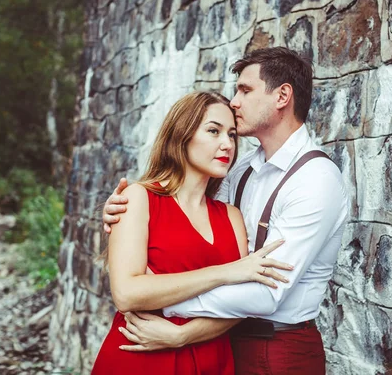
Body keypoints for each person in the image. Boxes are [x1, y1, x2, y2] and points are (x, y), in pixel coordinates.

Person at [103, 47, 349, 374]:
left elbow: (265, 293)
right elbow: (180, 211)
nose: (235, 101)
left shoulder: (315, 180)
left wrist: (161, 303)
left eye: (245, 90)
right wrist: (121, 213)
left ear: (282, 96)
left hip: (276, 346)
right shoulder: (239, 171)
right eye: (215, 131)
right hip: (220, 344)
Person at [91, 91, 293, 375]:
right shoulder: (139, 198)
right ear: (181, 135)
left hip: (213, 359)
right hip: (142, 357)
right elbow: (126, 294)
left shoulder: (231, 217)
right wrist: (226, 273)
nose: (227, 144)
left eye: (232, 135)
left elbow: (243, 304)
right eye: (213, 131)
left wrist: (184, 335)